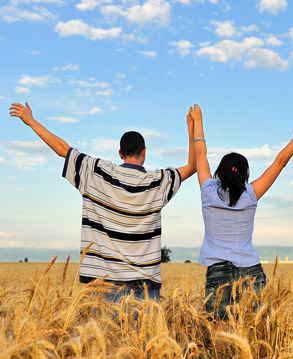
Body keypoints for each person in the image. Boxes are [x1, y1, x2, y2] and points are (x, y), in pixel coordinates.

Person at [9, 101, 196, 301]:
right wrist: (191, 127)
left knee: (105, 323)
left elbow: (62, 149)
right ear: (144, 152)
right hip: (145, 286)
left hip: (104, 286)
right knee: (146, 324)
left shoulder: (96, 171)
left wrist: (31, 121)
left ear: (120, 153)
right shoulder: (158, 181)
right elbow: (193, 166)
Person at [190, 104, 293, 319]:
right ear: (245, 173)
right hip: (250, 268)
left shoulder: (208, 191)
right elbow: (280, 162)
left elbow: (200, 153)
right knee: (254, 327)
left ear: (220, 172)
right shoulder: (251, 194)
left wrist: (197, 121)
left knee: (219, 330)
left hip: (218, 270)